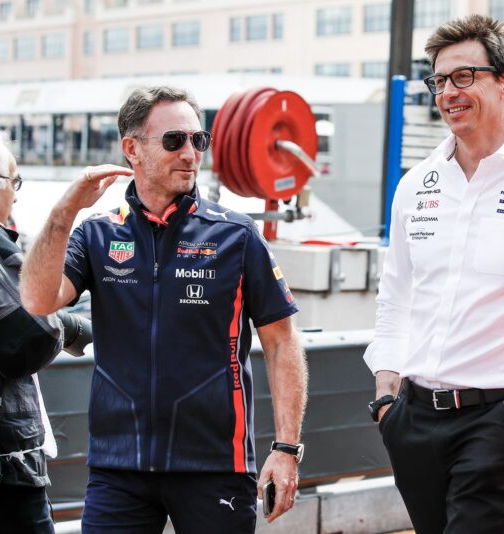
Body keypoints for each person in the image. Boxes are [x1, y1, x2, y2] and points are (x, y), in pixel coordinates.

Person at [19, 86, 308, 533]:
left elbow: (281, 342)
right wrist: (65, 210)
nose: (190, 153)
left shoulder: (237, 235)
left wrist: (286, 448)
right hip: (118, 467)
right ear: (132, 149)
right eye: (174, 140)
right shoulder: (96, 234)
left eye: (199, 140)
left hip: (216, 465)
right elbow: (38, 300)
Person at [363, 14, 504, 534]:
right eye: (438, 80)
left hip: (497, 417)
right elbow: (396, 295)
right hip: (411, 416)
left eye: (464, 76)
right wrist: (387, 396)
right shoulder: (417, 183)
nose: (448, 93)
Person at [0, 127, 91, 533]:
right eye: (14, 182)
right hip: (5, 466)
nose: (16, 196)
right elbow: (32, 332)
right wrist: (75, 327)